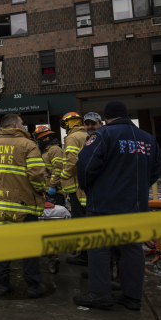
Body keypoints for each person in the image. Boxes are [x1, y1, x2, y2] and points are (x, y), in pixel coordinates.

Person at [74, 101, 161, 311]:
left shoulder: (103, 135)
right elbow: (155, 171)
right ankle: (132, 296)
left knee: (99, 248)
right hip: (135, 206)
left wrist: (88, 188)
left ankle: (99, 293)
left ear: (106, 118)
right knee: (132, 249)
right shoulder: (148, 139)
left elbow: (85, 166)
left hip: (105, 204)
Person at [0, 114, 48, 298]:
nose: (25, 126)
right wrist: (40, 190)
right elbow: (36, 175)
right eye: (23, 124)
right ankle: (33, 286)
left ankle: (2, 284)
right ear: (16, 125)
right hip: (24, 206)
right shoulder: (28, 145)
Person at [60, 111, 90, 266]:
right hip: (87, 187)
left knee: (81, 223)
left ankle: (85, 256)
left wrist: (63, 176)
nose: (64, 128)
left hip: (76, 188)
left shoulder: (72, 137)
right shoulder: (87, 135)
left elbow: (72, 161)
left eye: (65, 125)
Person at [33, 126, 65, 206]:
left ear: (48, 138)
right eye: (38, 140)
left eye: (41, 139)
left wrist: (53, 185)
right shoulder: (43, 151)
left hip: (56, 191)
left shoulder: (54, 150)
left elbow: (58, 169)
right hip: (46, 191)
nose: (40, 142)